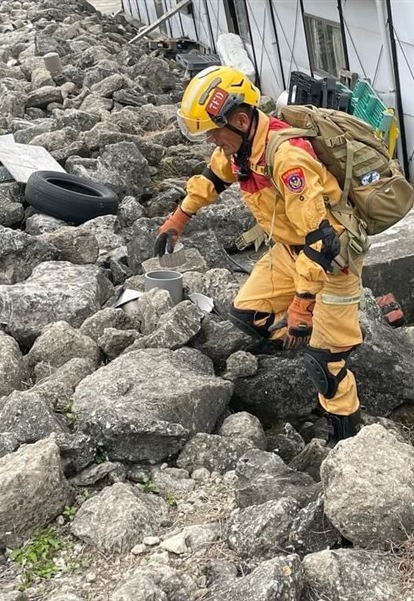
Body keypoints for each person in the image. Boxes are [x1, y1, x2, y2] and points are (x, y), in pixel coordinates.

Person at [155, 65, 363, 444]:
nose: (211, 141)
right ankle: (303, 339)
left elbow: (323, 241)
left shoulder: (286, 157)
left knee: (327, 365)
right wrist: (179, 217)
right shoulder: (243, 147)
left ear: (237, 118)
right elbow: (213, 177)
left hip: (331, 264)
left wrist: (303, 302)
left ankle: (346, 439)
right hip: (289, 251)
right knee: (247, 315)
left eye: (213, 132)